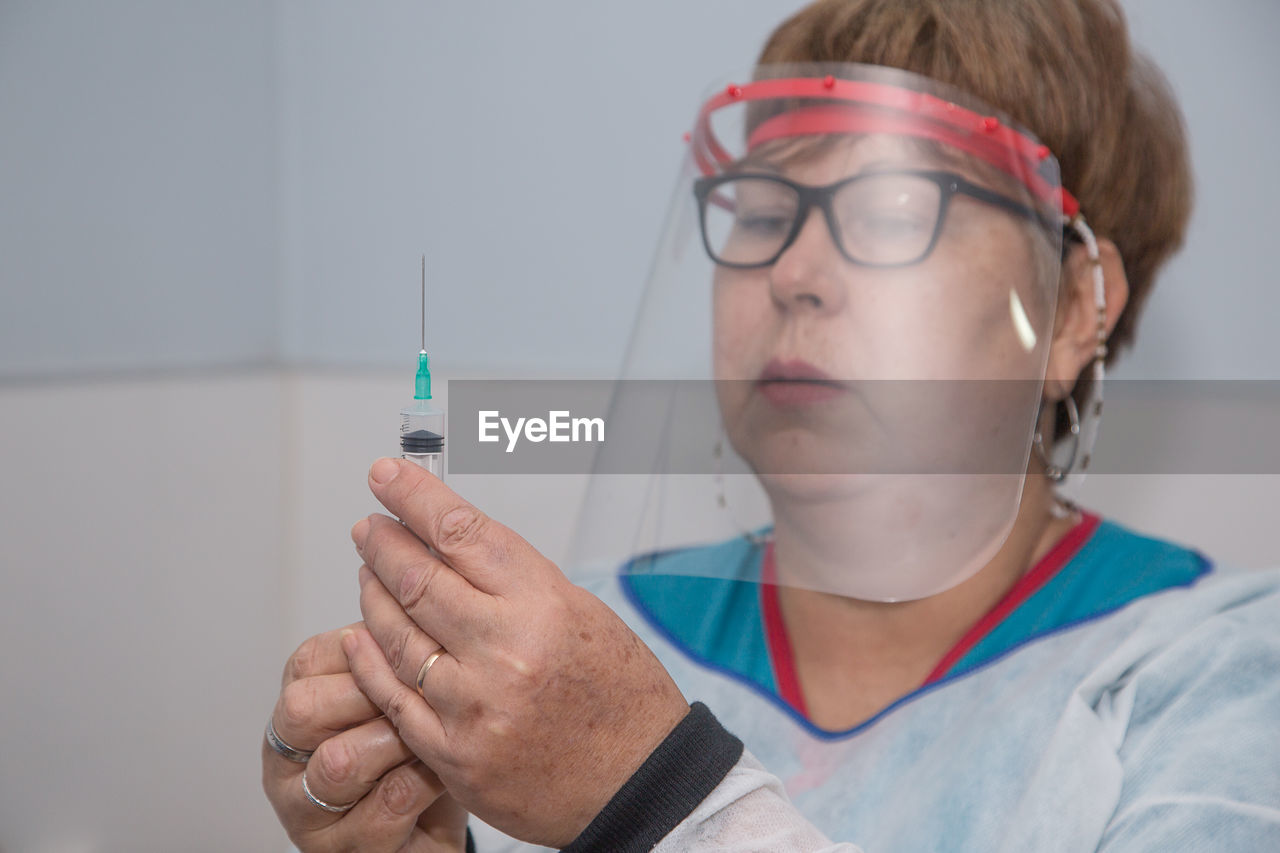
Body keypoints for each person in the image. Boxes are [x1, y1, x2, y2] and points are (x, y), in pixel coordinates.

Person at [262, 1, 1280, 850]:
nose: (790, 273)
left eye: (887, 212)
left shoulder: (1216, 677)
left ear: (1067, 311)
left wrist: (658, 793)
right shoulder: (579, 650)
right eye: (757, 211)